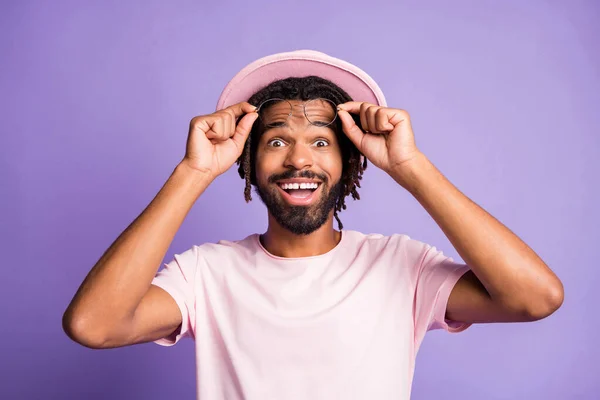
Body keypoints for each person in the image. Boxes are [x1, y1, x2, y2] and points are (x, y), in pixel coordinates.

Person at [63, 50, 564, 399]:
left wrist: (410, 168)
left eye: (321, 142)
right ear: (248, 161)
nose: (298, 159)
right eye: (277, 140)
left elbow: (535, 297)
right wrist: (193, 173)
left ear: (350, 162)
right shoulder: (206, 275)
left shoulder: (399, 265)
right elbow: (93, 326)